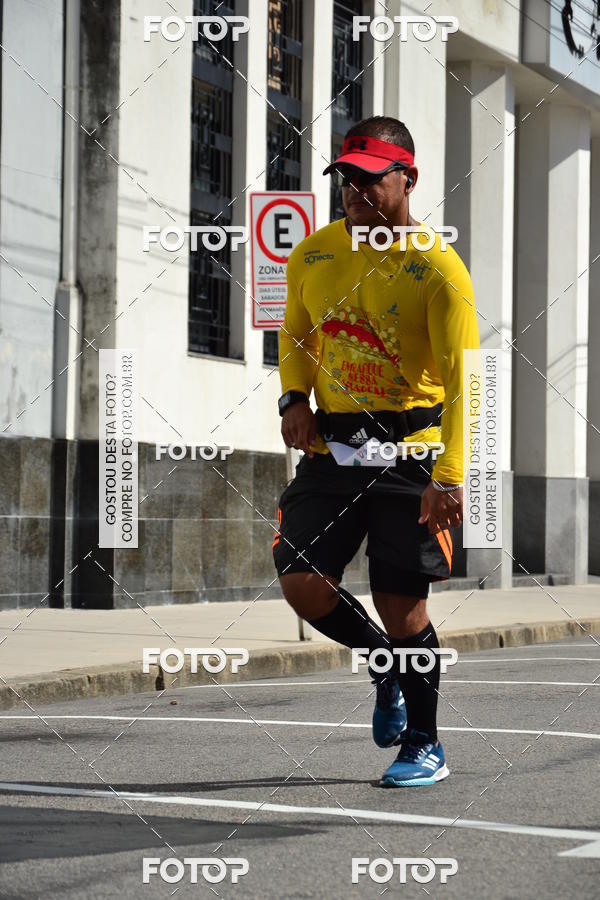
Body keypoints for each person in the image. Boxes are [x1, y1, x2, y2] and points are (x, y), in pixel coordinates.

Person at [272, 116, 479, 787]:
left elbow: (465, 380)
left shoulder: (438, 268)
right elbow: (294, 335)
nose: (355, 190)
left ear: (406, 179)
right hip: (334, 453)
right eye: (345, 178)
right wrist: (293, 399)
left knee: (404, 610)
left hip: (411, 461)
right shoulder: (315, 253)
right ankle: (383, 663)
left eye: (370, 177)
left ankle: (425, 744)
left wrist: (448, 477)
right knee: (301, 581)